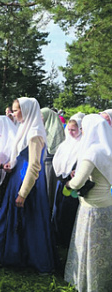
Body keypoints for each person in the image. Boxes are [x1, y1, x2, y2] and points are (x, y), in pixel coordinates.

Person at [0, 97, 55, 274]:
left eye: (16, 110)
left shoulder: (34, 132)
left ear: (26, 110)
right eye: (13, 109)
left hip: (28, 181)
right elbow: (20, 155)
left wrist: (23, 192)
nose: (13, 113)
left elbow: (34, 165)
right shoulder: (25, 128)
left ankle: (29, 258)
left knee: (29, 220)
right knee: (12, 217)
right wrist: (10, 165)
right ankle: (11, 254)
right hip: (18, 176)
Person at [64, 114, 112, 292]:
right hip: (107, 204)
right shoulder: (108, 148)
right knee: (104, 249)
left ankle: (90, 284)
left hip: (91, 208)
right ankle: (104, 282)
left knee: (90, 248)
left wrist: (69, 183)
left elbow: (77, 183)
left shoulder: (92, 152)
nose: (82, 132)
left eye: (83, 128)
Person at [51, 115, 83, 248]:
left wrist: (75, 170)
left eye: (73, 130)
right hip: (61, 180)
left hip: (73, 183)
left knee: (68, 212)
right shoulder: (65, 144)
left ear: (80, 129)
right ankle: (57, 236)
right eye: (69, 129)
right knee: (58, 208)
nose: (70, 132)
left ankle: (66, 240)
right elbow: (58, 160)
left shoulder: (83, 143)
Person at [0, 115, 18, 205]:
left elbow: (15, 156)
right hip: (2, 171)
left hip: (11, 174)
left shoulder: (13, 139)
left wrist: (10, 163)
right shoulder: (1, 136)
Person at [41, 107, 65, 209]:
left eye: (41, 116)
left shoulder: (55, 130)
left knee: (49, 191)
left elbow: (53, 150)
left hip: (52, 166)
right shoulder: (43, 129)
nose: (40, 119)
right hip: (43, 166)